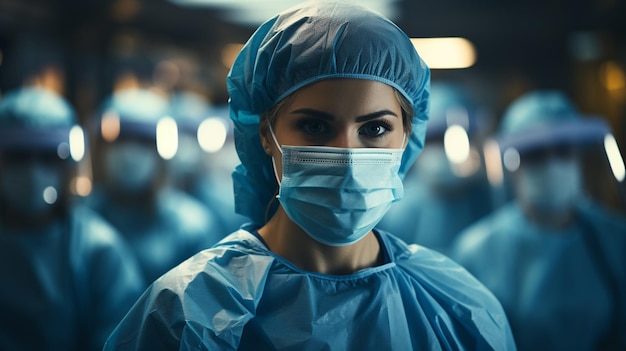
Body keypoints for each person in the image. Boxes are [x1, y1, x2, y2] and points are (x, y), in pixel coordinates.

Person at [104, 2, 515, 349]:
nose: (349, 157)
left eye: (374, 129)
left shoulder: (456, 307)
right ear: (266, 134)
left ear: (407, 136)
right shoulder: (188, 312)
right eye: (316, 127)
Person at [450, 90, 626, 351]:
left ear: (578, 155)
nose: (551, 164)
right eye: (535, 153)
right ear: (513, 164)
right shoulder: (477, 250)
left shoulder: (614, 239)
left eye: (562, 150)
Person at [0, 86, 144, 350]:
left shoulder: (98, 251)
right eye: (18, 157)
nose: (32, 173)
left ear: (67, 164)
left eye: (47, 157)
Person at [86, 87, 224, 286]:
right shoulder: (81, 222)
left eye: (143, 142)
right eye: (120, 141)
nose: (129, 155)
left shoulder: (191, 228)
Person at [378, 81, 494, 253]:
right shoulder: (396, 212)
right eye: (433, 139)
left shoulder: (489, 200)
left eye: (452, 137)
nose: (444, 148)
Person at [167, 92, 248, 233]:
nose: (187, 147)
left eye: (193, 135)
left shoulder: (224, 203)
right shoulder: (167, 199)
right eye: (183, 135)